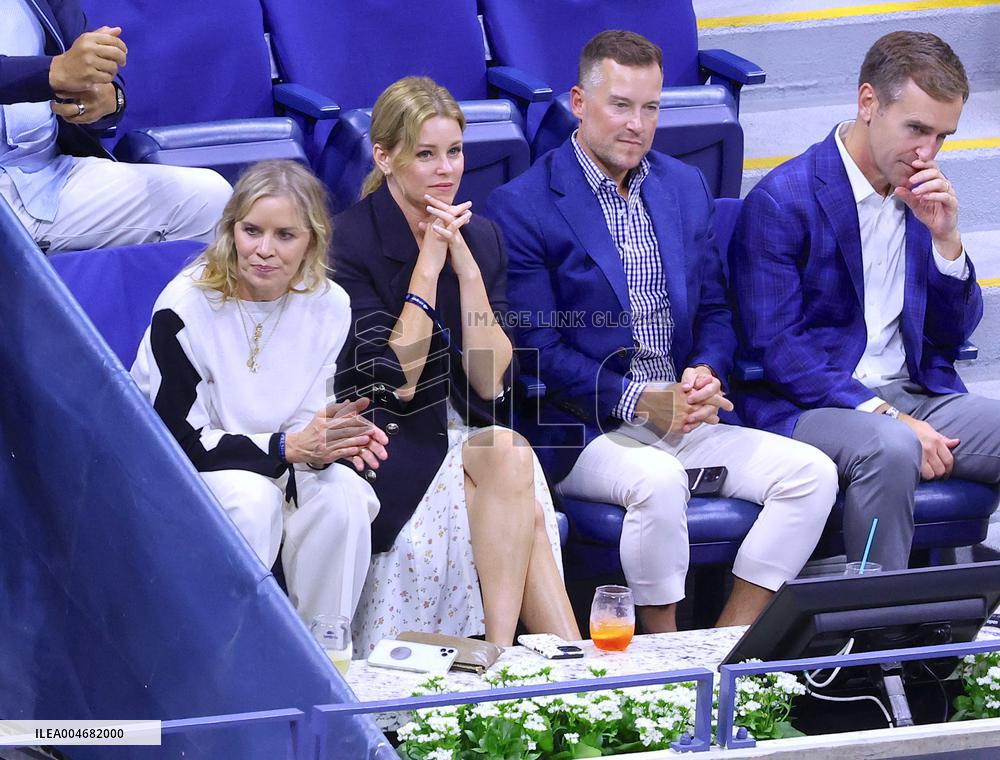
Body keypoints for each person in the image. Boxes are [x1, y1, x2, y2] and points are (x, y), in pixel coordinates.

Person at [487, 31, 839, 632]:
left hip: (684, 415)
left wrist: (706, 370)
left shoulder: (684, 186)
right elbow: (537, 352)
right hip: (585, 428)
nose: (637, 124)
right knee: (659, 480)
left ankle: (730, 646)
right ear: (578, 101)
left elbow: (716, 310)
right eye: (620, 105)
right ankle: (665, 657)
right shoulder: (522, 205)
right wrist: (639, 400)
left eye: (651, 108)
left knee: (812, 475)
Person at [729, 31, 1000, 571]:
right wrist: (889, 415)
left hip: (911, 391)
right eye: (917, 130)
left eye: (943, 137)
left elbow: (951, 335)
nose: (928, 153)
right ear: (868, 103)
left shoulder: (921, 194)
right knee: (890, 448)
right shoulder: (782, 200)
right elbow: (781, 350)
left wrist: (947, 243)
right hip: (811, 404)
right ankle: (880, 637)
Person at [331, 76, 580, 652]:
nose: (446, 169)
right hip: (385, 442)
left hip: (465, 439)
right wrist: (429, 266)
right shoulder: (347, 243)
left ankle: (503, 654)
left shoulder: (484, 238)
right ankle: (560, 662)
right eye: (426, 154)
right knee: (515, 476)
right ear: (384, 156)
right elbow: (396, 383)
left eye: (455, 151)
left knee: (507, 454)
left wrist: (467, 273)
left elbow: (490, 383)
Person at [131, 160, 385, 624]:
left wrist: (333, 443)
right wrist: (287, 448)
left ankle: (326, 656)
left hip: (280, 459)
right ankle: (225, 665)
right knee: (252, 499)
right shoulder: (184, 305)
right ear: (231, 230)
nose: (264, 250)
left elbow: (310, 423)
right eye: (252, 231)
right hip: (193, 468)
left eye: (285, 235)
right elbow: (176, 443)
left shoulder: (330, 305)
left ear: (312, 240)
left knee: (343, 497)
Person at [0, 0, 231, 252]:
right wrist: (52, 72)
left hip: (47, 177)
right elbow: (61, 69)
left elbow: (89, 63)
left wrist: (106, 98)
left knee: (207, 198)